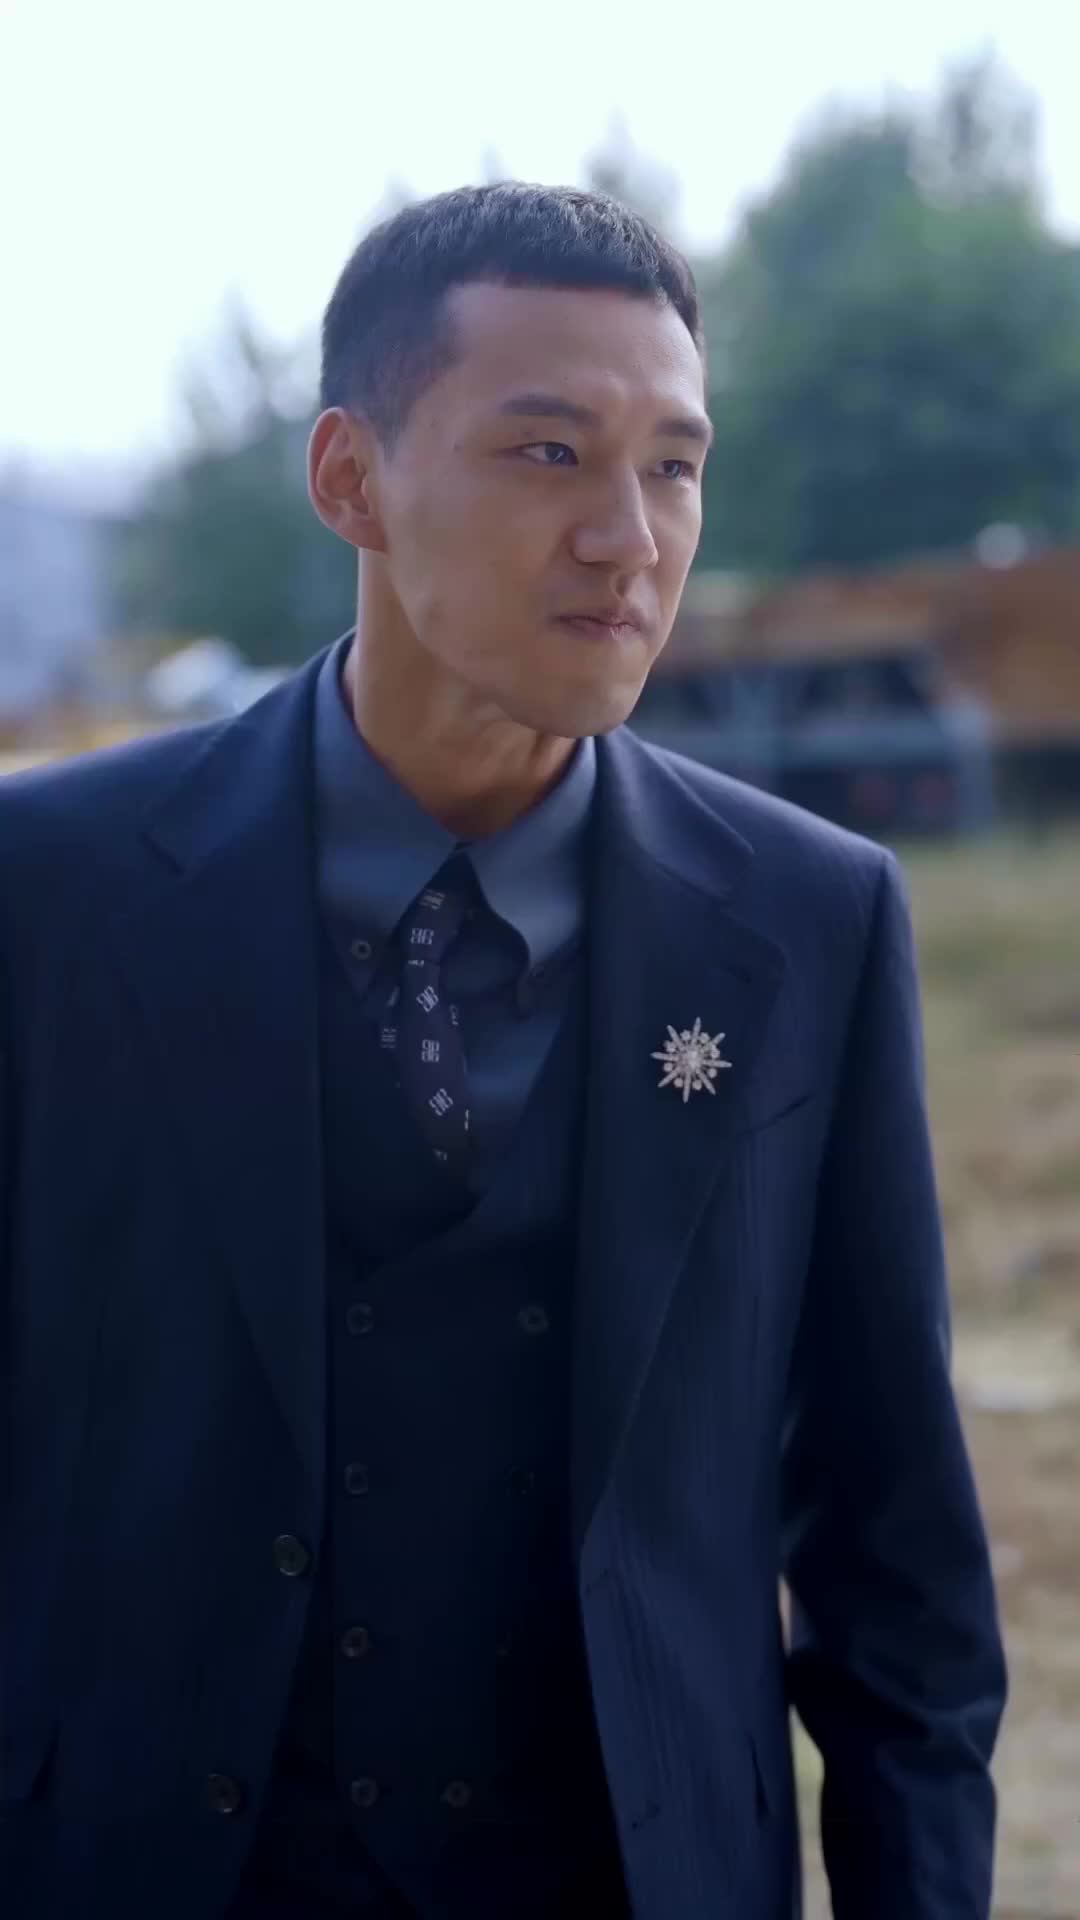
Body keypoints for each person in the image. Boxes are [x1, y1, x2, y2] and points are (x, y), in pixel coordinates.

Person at [0, 182, 1006, 1920]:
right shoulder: (51, 895)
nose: (629, 537)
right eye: (549, 453)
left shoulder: (812, 923)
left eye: (674, 466)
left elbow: (897, 1556)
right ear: (350, 480)